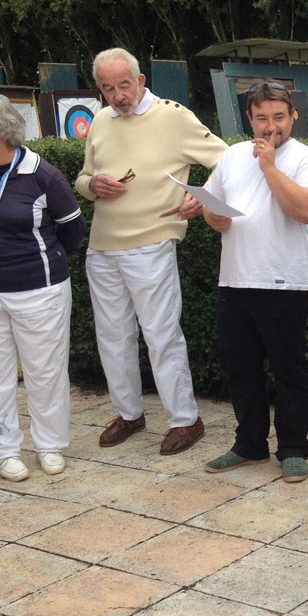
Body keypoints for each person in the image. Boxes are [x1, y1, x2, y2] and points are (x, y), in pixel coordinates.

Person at [75, 47, 228, 455]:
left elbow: (227, 161)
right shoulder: (100, 120)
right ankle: (129, 413)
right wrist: (92, 186)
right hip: (102, 245)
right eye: (108, 89)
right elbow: (83, 177)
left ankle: (185, 419)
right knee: (112, 336)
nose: (117, 96)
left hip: (153, 241)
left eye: (124, 85)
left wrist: (202, 196)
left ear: (141, 80)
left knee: (161, 335)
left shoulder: (173, 117)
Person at [200, 81, 308, 482]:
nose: (270, 127)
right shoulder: (232, 155)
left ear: (293, 116)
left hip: (285, 282)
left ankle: (293, 448)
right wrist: (213, 217)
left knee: (289, 371)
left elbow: (306, 211)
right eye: (261, 119)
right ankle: (249, 443)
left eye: (278, 117)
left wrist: (270, 167)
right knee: (240, 368)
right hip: (235, 279)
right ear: (249, 120)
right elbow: (210, 204)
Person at [0, 95, 85, 481]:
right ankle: (3, 450)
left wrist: (34, 263)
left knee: (45, 372)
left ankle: (50, 445)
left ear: (0, 129)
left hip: (38, 291)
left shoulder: (44, 175)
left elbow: (72, 230)